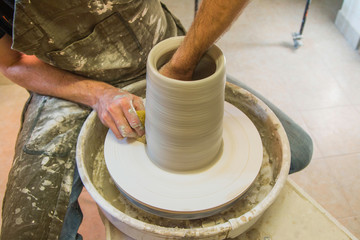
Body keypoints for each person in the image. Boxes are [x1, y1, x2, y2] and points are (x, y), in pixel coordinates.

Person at [0, 0, 312, 239]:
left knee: (296, 149)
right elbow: (13, 63)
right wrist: (99, 95)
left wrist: (181, 65)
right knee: (28, 231)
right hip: (74, 81)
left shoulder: (174, 65)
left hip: (161, 56)